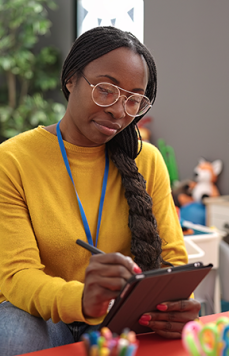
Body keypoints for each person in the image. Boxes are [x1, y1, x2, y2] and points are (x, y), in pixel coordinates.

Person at [0, 26, 200, 356]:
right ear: (70, 80)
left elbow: (172, 260)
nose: (119, 111)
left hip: (120, 316)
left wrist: (179, 306)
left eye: (134, 99)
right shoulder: (13, 159)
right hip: (44, 317)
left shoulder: (146, 160)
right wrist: (82, 300)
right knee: (13, 329)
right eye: (106, 90)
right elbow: (16, 275)